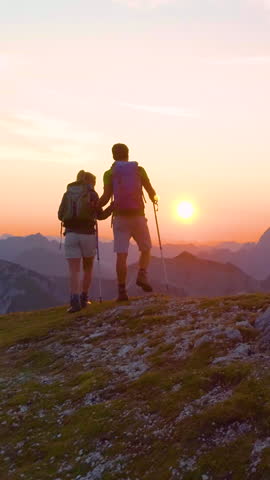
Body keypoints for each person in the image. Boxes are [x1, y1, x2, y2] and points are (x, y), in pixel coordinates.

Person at [98, 143, 157, 301]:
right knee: (146, 249)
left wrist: (95, 206)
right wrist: (154, 198)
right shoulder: (139, 170)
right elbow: (151, 190)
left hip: (120, 217)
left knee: (121, 255)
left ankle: (122, 292)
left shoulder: (109, 173)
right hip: (138, 215)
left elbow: (105, 197)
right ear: (128, 154)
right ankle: (142, 275)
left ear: (113, 155)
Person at [58, 170, 113, 313]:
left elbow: (60, 215)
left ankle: (74, 301)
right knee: (87, 267)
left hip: (70, 235)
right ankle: (84, 298)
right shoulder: (92, 194)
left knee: (74, 270)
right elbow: (100, 216)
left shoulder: (68, 194)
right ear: (91, 182)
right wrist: (112, 207)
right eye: (94, 183)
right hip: (87, 234)